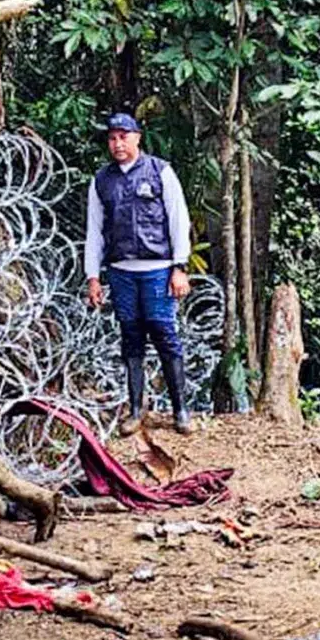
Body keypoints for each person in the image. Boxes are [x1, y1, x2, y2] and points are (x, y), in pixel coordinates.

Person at [84, 113, 194, 434]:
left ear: (137, 138)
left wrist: (180, 267)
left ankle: (180, 411)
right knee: (130, 338)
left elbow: (178, 219)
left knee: (164, 335)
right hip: (121, 272)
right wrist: (93, 276)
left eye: (123, 137)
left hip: (158, 270)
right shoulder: (102, 181)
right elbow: (95, 232)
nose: (118, 144)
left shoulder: (161, 172)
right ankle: (134, 410)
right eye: (112, 138)